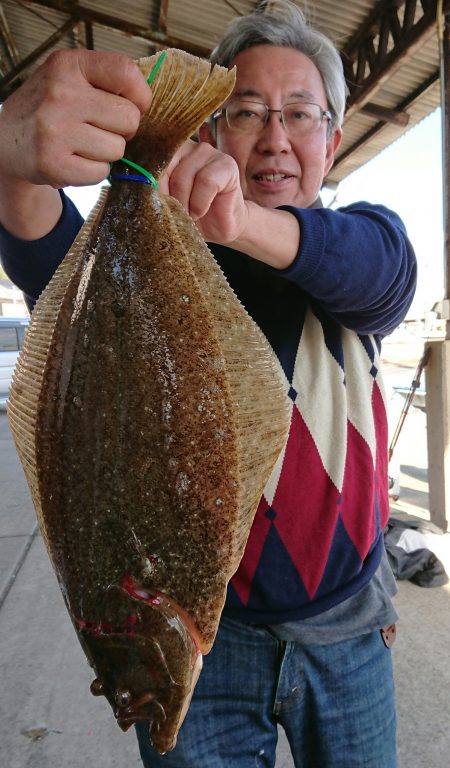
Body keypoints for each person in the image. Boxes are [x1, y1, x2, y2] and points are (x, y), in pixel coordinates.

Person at [0, 1, 416, 766]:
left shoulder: (361, 248)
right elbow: (50, 263)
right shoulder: (155, 275)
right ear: (207, 133)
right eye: (247, 112)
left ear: (334, 137)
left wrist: (235, 221)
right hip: (210, 648)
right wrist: (12, 162)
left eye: (300, 113)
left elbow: (381, 273)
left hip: (350, 630)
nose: (275, 137)